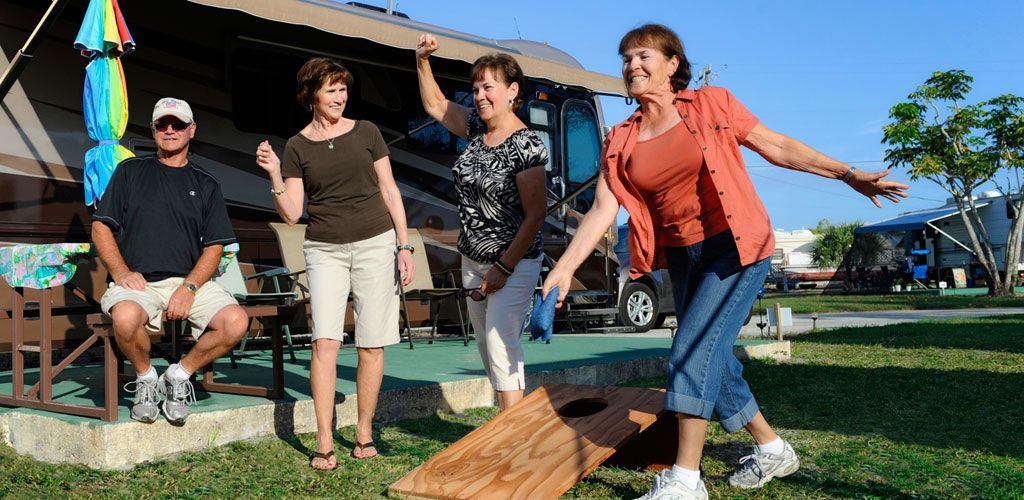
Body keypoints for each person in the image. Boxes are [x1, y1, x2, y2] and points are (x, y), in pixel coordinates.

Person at [541, 24, 909, 499]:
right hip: (682, 255)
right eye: (626, 58)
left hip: (736, 245)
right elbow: (602, 210)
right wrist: (565, 267)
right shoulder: (622, 139)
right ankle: (773, 447)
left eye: (643, 55)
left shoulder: (712, 104)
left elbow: (777, 146)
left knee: (691, 353)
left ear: (673, 63)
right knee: (714, 357)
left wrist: (848, 174)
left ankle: (686, 481)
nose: (632, 65)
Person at [255, 57, 415, 470]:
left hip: (376, 243)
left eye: (343, 89)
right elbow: (292, 213)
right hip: (324, 247)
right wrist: (274, 175)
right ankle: (325, 438)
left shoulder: (367, 132)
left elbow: (390, 191)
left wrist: (404, 246)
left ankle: (363, 430)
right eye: (331, 90)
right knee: (324, 341)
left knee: (371, 343)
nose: (340, 97)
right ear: (311, 95)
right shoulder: (297, 146)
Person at [92, 97, 249, 426]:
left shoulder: (206, 184)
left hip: (188, 282)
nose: (169, 130)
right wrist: (120, 272)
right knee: (124, 318)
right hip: (140, 283)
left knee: (236, 322)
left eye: (177, 124)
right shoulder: (130, 172)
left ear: (191, 130)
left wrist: (189, 288)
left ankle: (178, 376)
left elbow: (214, 247)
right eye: (162, 124)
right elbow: (100, 226)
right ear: (152, 130)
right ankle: (146, 379)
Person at [415, 34, 548, 411]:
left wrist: (504, 267)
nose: (479, 96)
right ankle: (511, 423)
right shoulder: (476, 128)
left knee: (499, 339)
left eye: (488, 87)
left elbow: (536, 214)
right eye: (475, 89)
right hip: (472, 259)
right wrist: (422, 59)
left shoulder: (527, 144)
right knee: (487, 346)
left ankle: (511, 440)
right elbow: (436, 104)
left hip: (515, 262)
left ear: (512, 91)